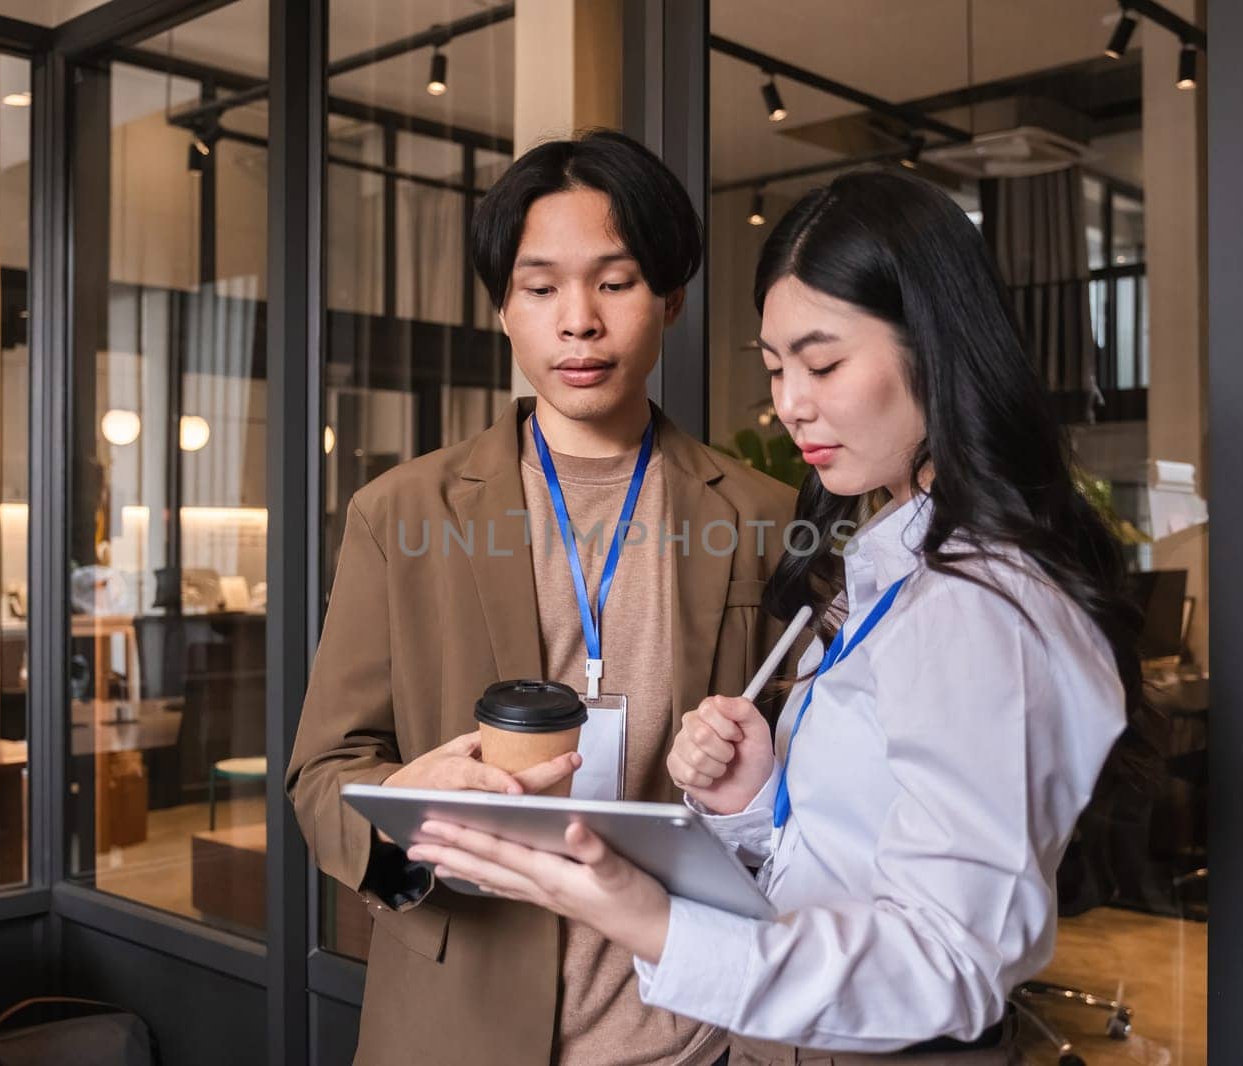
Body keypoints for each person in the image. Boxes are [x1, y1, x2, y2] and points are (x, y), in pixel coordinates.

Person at [406, 168, 1145, 1063]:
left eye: (824, 363)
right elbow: (850, 851)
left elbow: (952, 959)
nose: (791, 404)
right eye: (776, 368)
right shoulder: (890, 568)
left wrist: (647, 918)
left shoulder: (976, 604)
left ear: (937, 346)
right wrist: (755, 800)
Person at [285, 129, 798, 1066]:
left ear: (670, 298)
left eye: (616, 281)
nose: (579, 321)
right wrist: (401, 803)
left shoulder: (764, 516)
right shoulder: (401, 511)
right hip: (456, 1026)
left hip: (692, 1036)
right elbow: (321, 775)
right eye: (541, 286)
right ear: (503, 310)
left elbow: (810, 797)